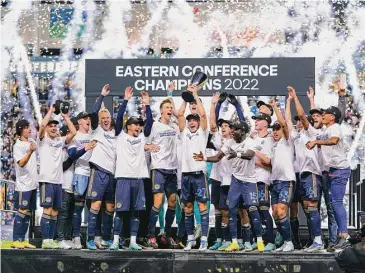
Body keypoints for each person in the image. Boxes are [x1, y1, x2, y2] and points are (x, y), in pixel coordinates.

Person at [194, 120, 265, 252]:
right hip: (236, 180)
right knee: (231, 209)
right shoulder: (229, 142)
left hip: (249, 181)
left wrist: (236, 154)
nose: (232, 131)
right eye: (231, 129)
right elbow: (217, 157)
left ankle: (260, 241)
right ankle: (234, 242)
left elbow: (250, 155)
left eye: (235, 129)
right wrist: (204, 158)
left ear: (243, 131)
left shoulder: (250, 142)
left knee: (253, 209)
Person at [110, 87, 155, 250]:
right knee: (121, 211)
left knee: (136, 212)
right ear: (128, 126)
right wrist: (125, 100)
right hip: (123, 178)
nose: (138, 127)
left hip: (139, 179)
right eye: (135, 125)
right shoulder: (120, 136)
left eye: (139, 125)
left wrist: (147, 105)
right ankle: (115, 241)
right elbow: (120, 116)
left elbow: (149, 123)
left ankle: (133, 241)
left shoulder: (143, 138)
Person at [306, 105, 351, 252]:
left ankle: (344, 235)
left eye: (325, 113)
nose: (323, 115)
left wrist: (316, 143)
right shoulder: (326, 129)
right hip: (332, 170)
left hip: (340, 169)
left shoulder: (335, 127)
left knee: (336, 203)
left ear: (332, 117)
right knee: (333, 204)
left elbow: (334, 141)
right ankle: (340, 236)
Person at [287, 86, 324, 252]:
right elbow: (287, 121)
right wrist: (288, 103)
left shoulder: (311, 132)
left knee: (311, 206)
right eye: (297, 121)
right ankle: (314, 240)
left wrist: (296, 98)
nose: (299, 122)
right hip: (301, 174)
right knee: (308, 206)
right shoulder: (296, 135)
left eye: (301, 121)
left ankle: (317, 240)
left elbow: (305, 115)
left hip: (312, 172)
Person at [38, 106, 76, 249]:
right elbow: (42, 125)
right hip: (46, 179)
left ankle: (51, 239)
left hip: (58, 181)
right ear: (47, 129)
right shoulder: (42, 139)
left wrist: (65, 116)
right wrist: (51, 111)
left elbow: (73, 132)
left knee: (55, 212)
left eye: (55, 126)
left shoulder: (60, 141)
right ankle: (45, 239)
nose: (53, 128)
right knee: (47, 210)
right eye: (51, 126)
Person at [178, 84, 210, 251]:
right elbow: (179, 114)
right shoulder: (184, 132)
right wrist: (186, 96)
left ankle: (204, 239)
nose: (191, 122)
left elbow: (203, 114)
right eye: (189, 120)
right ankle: (191, 238)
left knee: (202, 207)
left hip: (199, 175)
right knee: (188, 207)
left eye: (193, 120)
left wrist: (195, 94)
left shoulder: (203, 132)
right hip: (186, 175)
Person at [146, 94, 180, 249]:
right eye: (167, 107)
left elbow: (180, 114)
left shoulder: (175, 125)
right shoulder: (154, 126)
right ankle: (151, 235)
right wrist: (150, 147)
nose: (170, 109)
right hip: (158, 168)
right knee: (158, 203)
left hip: (172, 169)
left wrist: (170, 95)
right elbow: (145, 144)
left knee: (173, 202)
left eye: (171, 107)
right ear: (161, 111)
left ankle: (165, 234)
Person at [86, 84, 117, 250]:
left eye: (108, 117)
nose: (106, 120)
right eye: (103, 117)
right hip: (98, 172)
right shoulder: (96, 130)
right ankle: (90, 238)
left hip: (112, 174)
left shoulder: (114, 133)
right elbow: (93, 112)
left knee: (110, 207)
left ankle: (106, 238)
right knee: (96, 205)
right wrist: (102, 95)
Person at [266, 99, 296, 252]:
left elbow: (284, 124)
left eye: (278, 129)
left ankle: (290, 242)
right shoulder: (273, 145)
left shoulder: (287, 141)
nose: (276, 131)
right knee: (276, 214)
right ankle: (285, 242)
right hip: (274, 183)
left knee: (281, 211)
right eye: (274, 129)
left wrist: (275, 107)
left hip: (286, 181)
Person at [68, 111, 96, 249]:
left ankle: (93, 238)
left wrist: (102, 96)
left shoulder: (93, 134)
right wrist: (86, 148)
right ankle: (76, 237)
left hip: (94, 173)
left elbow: (96, 113)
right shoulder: (74, 136)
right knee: (78, 208)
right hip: (80, 174)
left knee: (93, 208)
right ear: (79, 121)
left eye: (89, 118)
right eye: (85, 118)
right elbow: (72, 155)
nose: (88, 120)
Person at [11, 120, 38, 249]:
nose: (29, 129)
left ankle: (23, 239)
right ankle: (16, 239)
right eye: (27, 128)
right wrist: (30, 152)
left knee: (27, 213)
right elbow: (20, 163)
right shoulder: (18, 145)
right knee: (22, 211)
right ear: (21, 130)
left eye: (29, 127)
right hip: (23, 185)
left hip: (33, 184)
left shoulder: (32, 142)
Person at [251, 113, 276, 252]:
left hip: (263, 179)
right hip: (251, 179)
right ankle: (258, 240)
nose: (256, 122)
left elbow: (269, 162)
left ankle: (271, 240)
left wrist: (255, 155)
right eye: (255, 119)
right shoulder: (253, 138)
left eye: (258, 120)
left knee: (264, 209)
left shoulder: (270, 139)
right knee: (254, 211)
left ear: (266, 123)